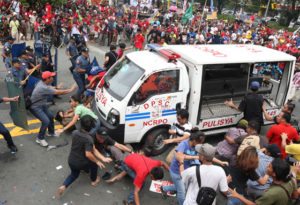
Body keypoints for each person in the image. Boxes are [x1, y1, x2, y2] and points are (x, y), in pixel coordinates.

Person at [56, 116, 111, 198]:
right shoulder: (89, 139)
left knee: (74, 174)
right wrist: (98, 161)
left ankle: (64, 186)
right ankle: (94, 180)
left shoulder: (74, 133)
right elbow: (88, 154)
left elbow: (93, 149)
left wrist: (103, 158)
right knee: (93, 164)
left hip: (71, 160)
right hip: (81, 162)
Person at [30, 71, 77, 147]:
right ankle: (39, 138)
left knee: (51, 117)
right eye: (51, 77)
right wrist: (71, 90)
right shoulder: (43, 87)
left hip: (42, 105)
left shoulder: (41, 83)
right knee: (46, 121)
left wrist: (56, 87)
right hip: (36, 107)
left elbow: (49, 87)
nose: (53, 78)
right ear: (47, 79)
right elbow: (59, 92)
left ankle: (51, 132)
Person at [230, 158, 298, 205]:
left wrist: (238, 196)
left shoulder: (271, 194)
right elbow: (295, 196)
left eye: (269, 166)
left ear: (274, 174)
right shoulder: (291, 180)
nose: (267, 166)